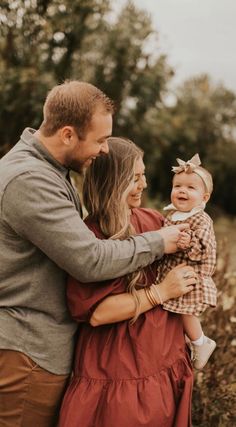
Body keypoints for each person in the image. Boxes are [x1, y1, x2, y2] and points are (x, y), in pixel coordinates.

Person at [0, 80, 192, 427]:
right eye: (101, 140)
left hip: (37, 350)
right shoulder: (30, 180)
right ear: (69, 135)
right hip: (28, 351)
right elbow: (90, 260)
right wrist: (159, 242)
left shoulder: (49, 172)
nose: (105, 151)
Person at [58, 137, 197, 427]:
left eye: (143, 175)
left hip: (162, 356)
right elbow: (98, 313)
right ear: (113, 181)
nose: (143, 185)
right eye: (135, 178)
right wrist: (161, 291)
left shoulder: (154, 220)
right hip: (119, 366)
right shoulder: (90, 236)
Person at [157, 154, 217, 369]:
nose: (182, 191)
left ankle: (201, 342)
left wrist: (190, 241)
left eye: (191, 188)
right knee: (173, 315)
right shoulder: (172, 215)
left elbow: (205, 247)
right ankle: (187, 342)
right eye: (178, 186)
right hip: (172, 274)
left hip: (190, 274)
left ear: (205, 198)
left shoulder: (201, 218)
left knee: (184, 312)